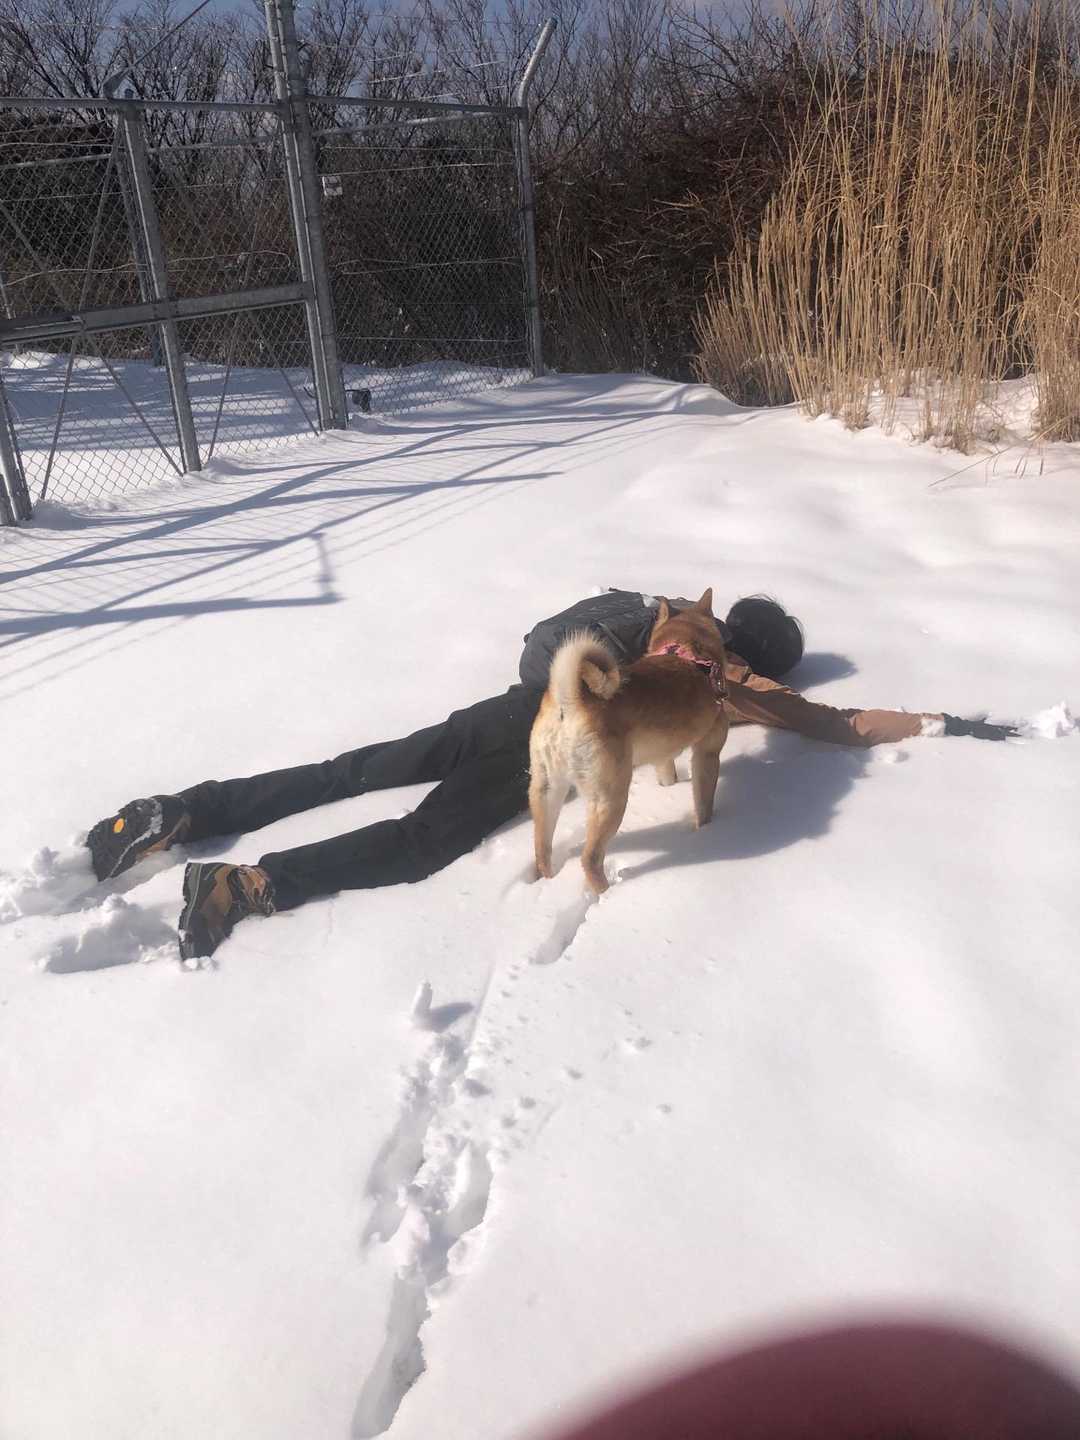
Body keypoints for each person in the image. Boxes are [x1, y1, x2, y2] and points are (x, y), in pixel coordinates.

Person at [83, 591, 1017, 962]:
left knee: (358, 767)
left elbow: (554, 640)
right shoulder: (730, 680)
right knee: (421, 842)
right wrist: (943, 722)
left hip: (520, 706)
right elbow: (839, 727)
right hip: (561, 745)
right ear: (759, 654)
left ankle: (186, 810)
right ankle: (250, 883)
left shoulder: (660, 609)